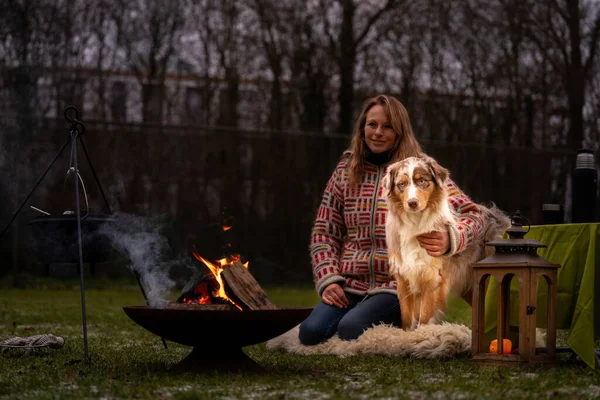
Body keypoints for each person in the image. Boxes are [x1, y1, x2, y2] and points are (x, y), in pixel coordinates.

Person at [298, 94, 487, 345]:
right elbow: (324, 231)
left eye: (388, 126)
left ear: (400, 131)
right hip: (350, 283)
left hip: (397, 285)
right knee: (310, 332)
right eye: (372, 124)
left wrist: (451, 238)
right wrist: (328, 278)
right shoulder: (345, 170)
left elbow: (476, 215)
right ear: (362, 128)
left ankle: (398, 322)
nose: (378, 132)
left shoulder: (420, 168)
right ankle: (355, 315)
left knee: (351, 328)